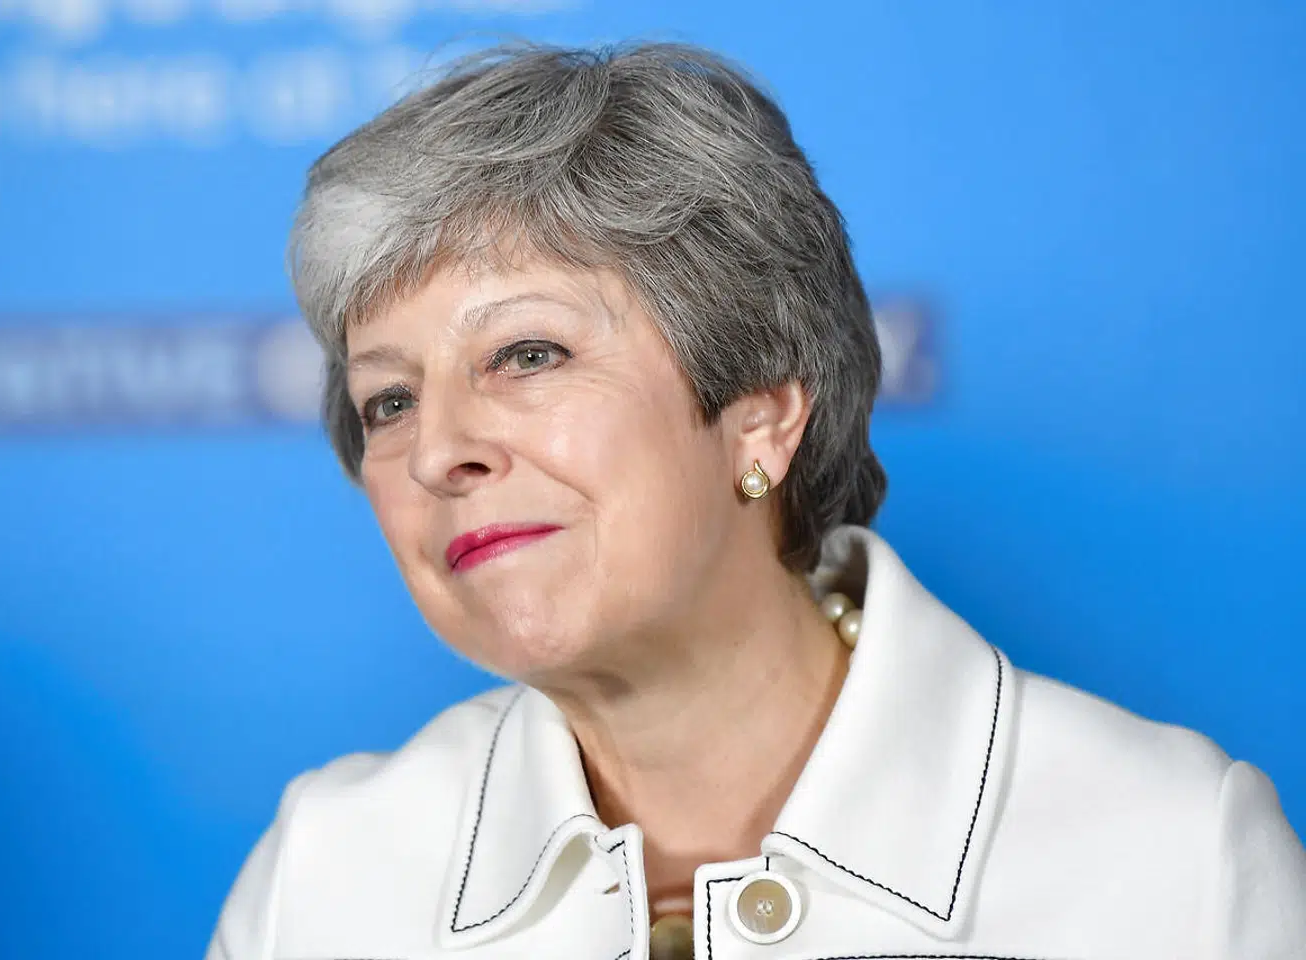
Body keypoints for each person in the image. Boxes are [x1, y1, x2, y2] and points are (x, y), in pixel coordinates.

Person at [206, 42, 1306, 959]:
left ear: (763, 416)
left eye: (527, 352)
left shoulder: (1174, 859)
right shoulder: (326, 878)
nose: (438, 448)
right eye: (388, 400)